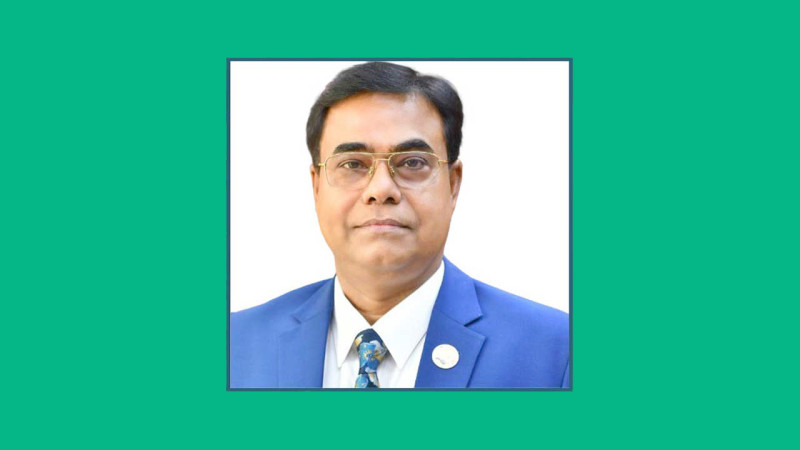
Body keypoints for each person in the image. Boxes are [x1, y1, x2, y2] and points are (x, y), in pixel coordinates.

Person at [230, 61, 569, 389]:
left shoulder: (556, 352)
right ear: (316, 186)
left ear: (453, 184)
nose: (381, 189)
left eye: (412, 163)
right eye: (352, 164)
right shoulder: (234, 346)